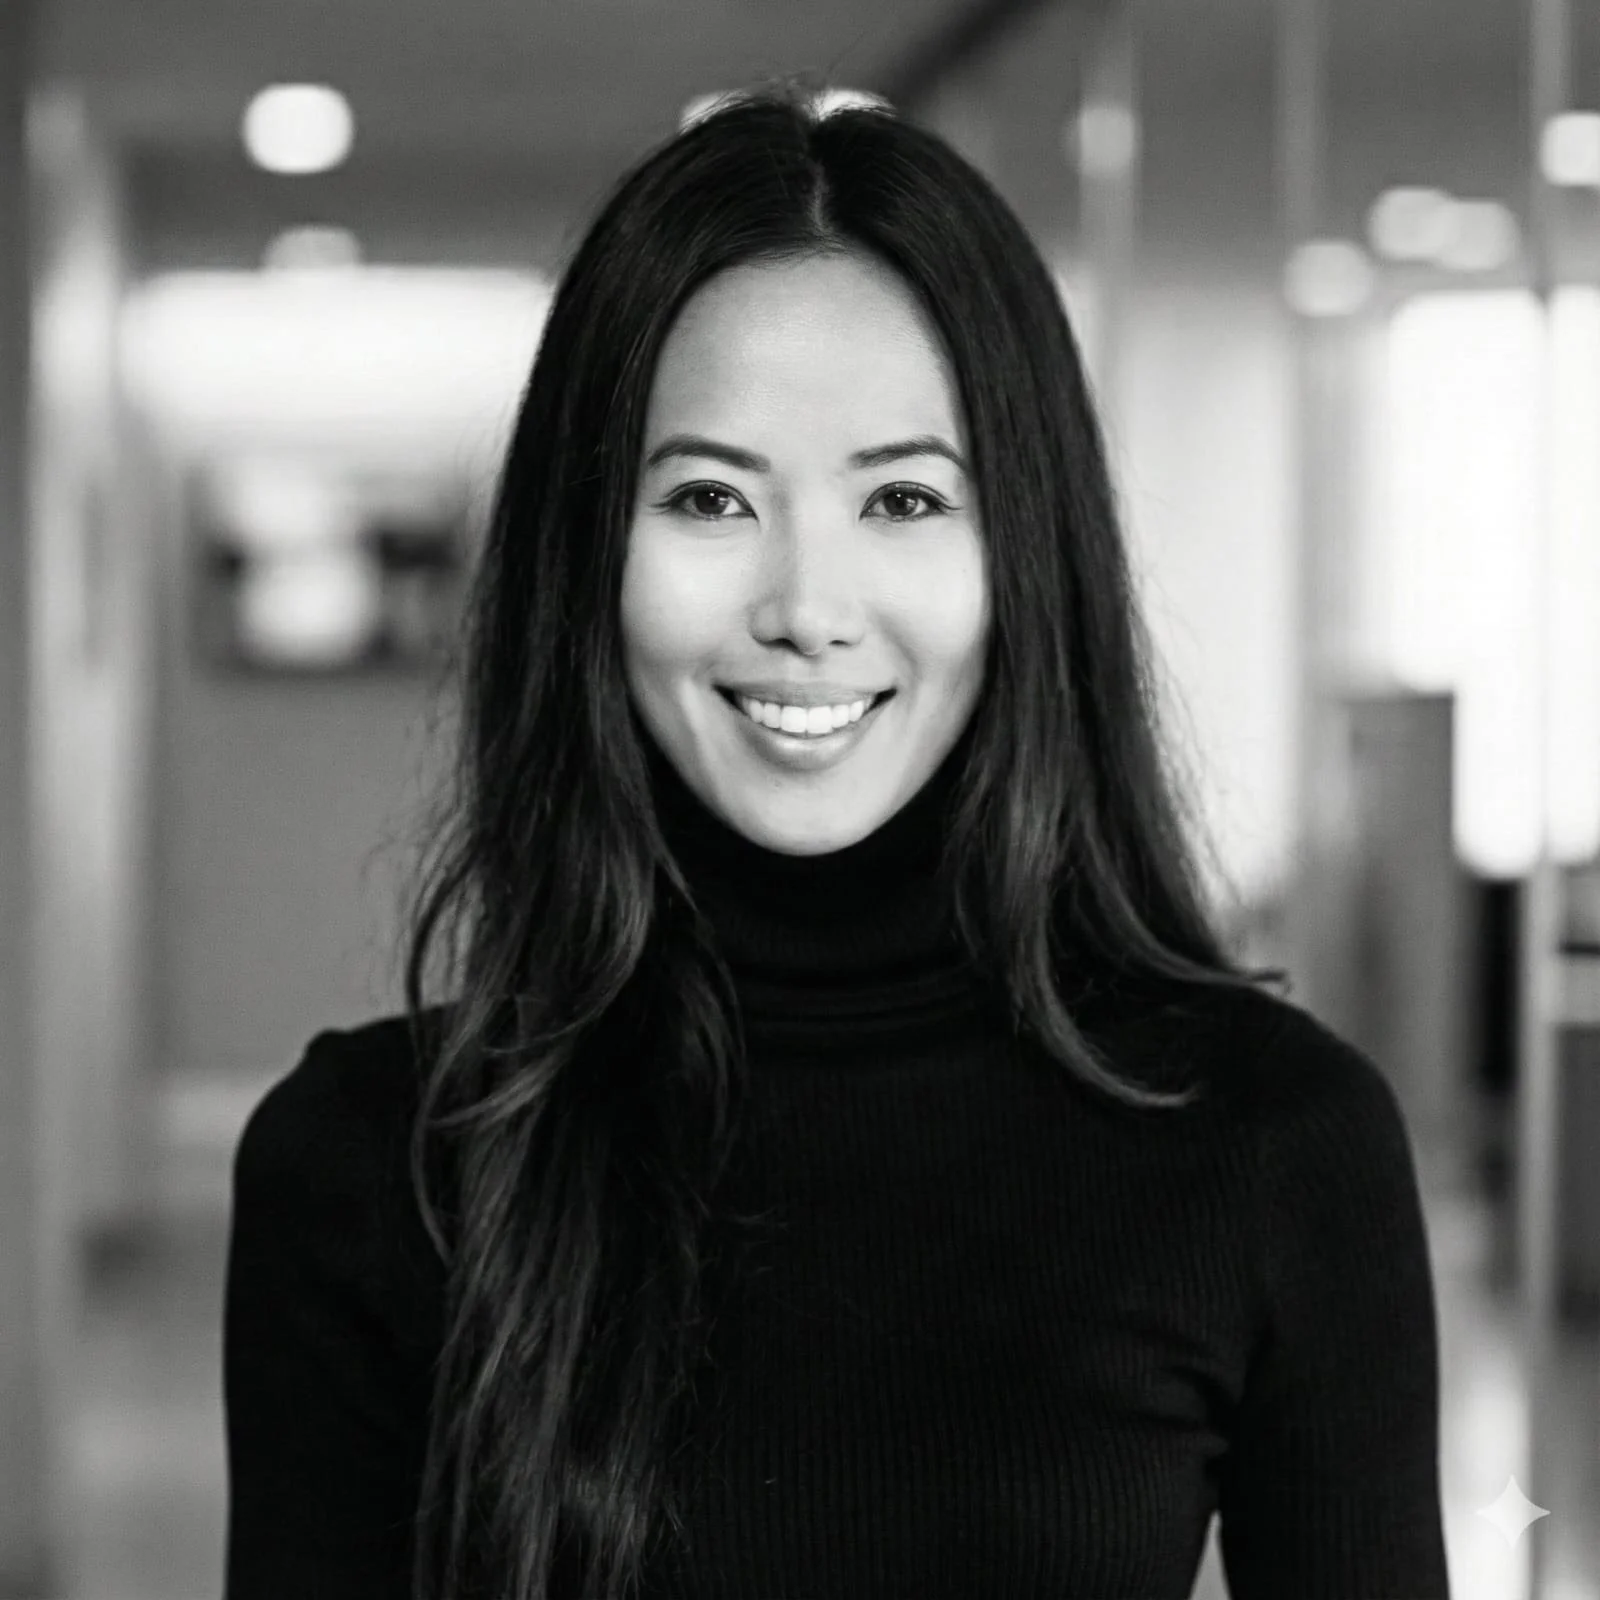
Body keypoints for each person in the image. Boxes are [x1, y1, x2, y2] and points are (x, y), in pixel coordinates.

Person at [221, 80, 1451, 1600]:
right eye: (713, 497)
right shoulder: (366, 1167)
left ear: (1026, 558)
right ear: (586, 555)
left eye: (907, 499)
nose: (807, 605)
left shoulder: (1273, 1146)